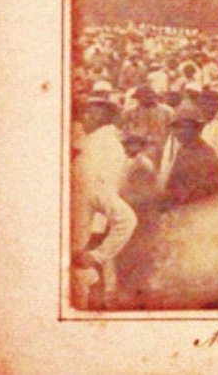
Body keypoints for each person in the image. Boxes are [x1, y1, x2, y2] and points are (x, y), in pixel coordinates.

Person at [71, 97, 137, 310]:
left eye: (92, 112)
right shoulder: (96, 141)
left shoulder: (101, 144)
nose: (85, 116)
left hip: (95, 219)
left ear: (103, 116)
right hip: (98, 215)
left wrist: (97, 252)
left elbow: (101, 184)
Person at [157, 101, 218, 207]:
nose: (180, 132)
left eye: (185, 127)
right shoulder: (184, 149)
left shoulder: (205, 156)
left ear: (198, 128)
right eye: (177, 127)